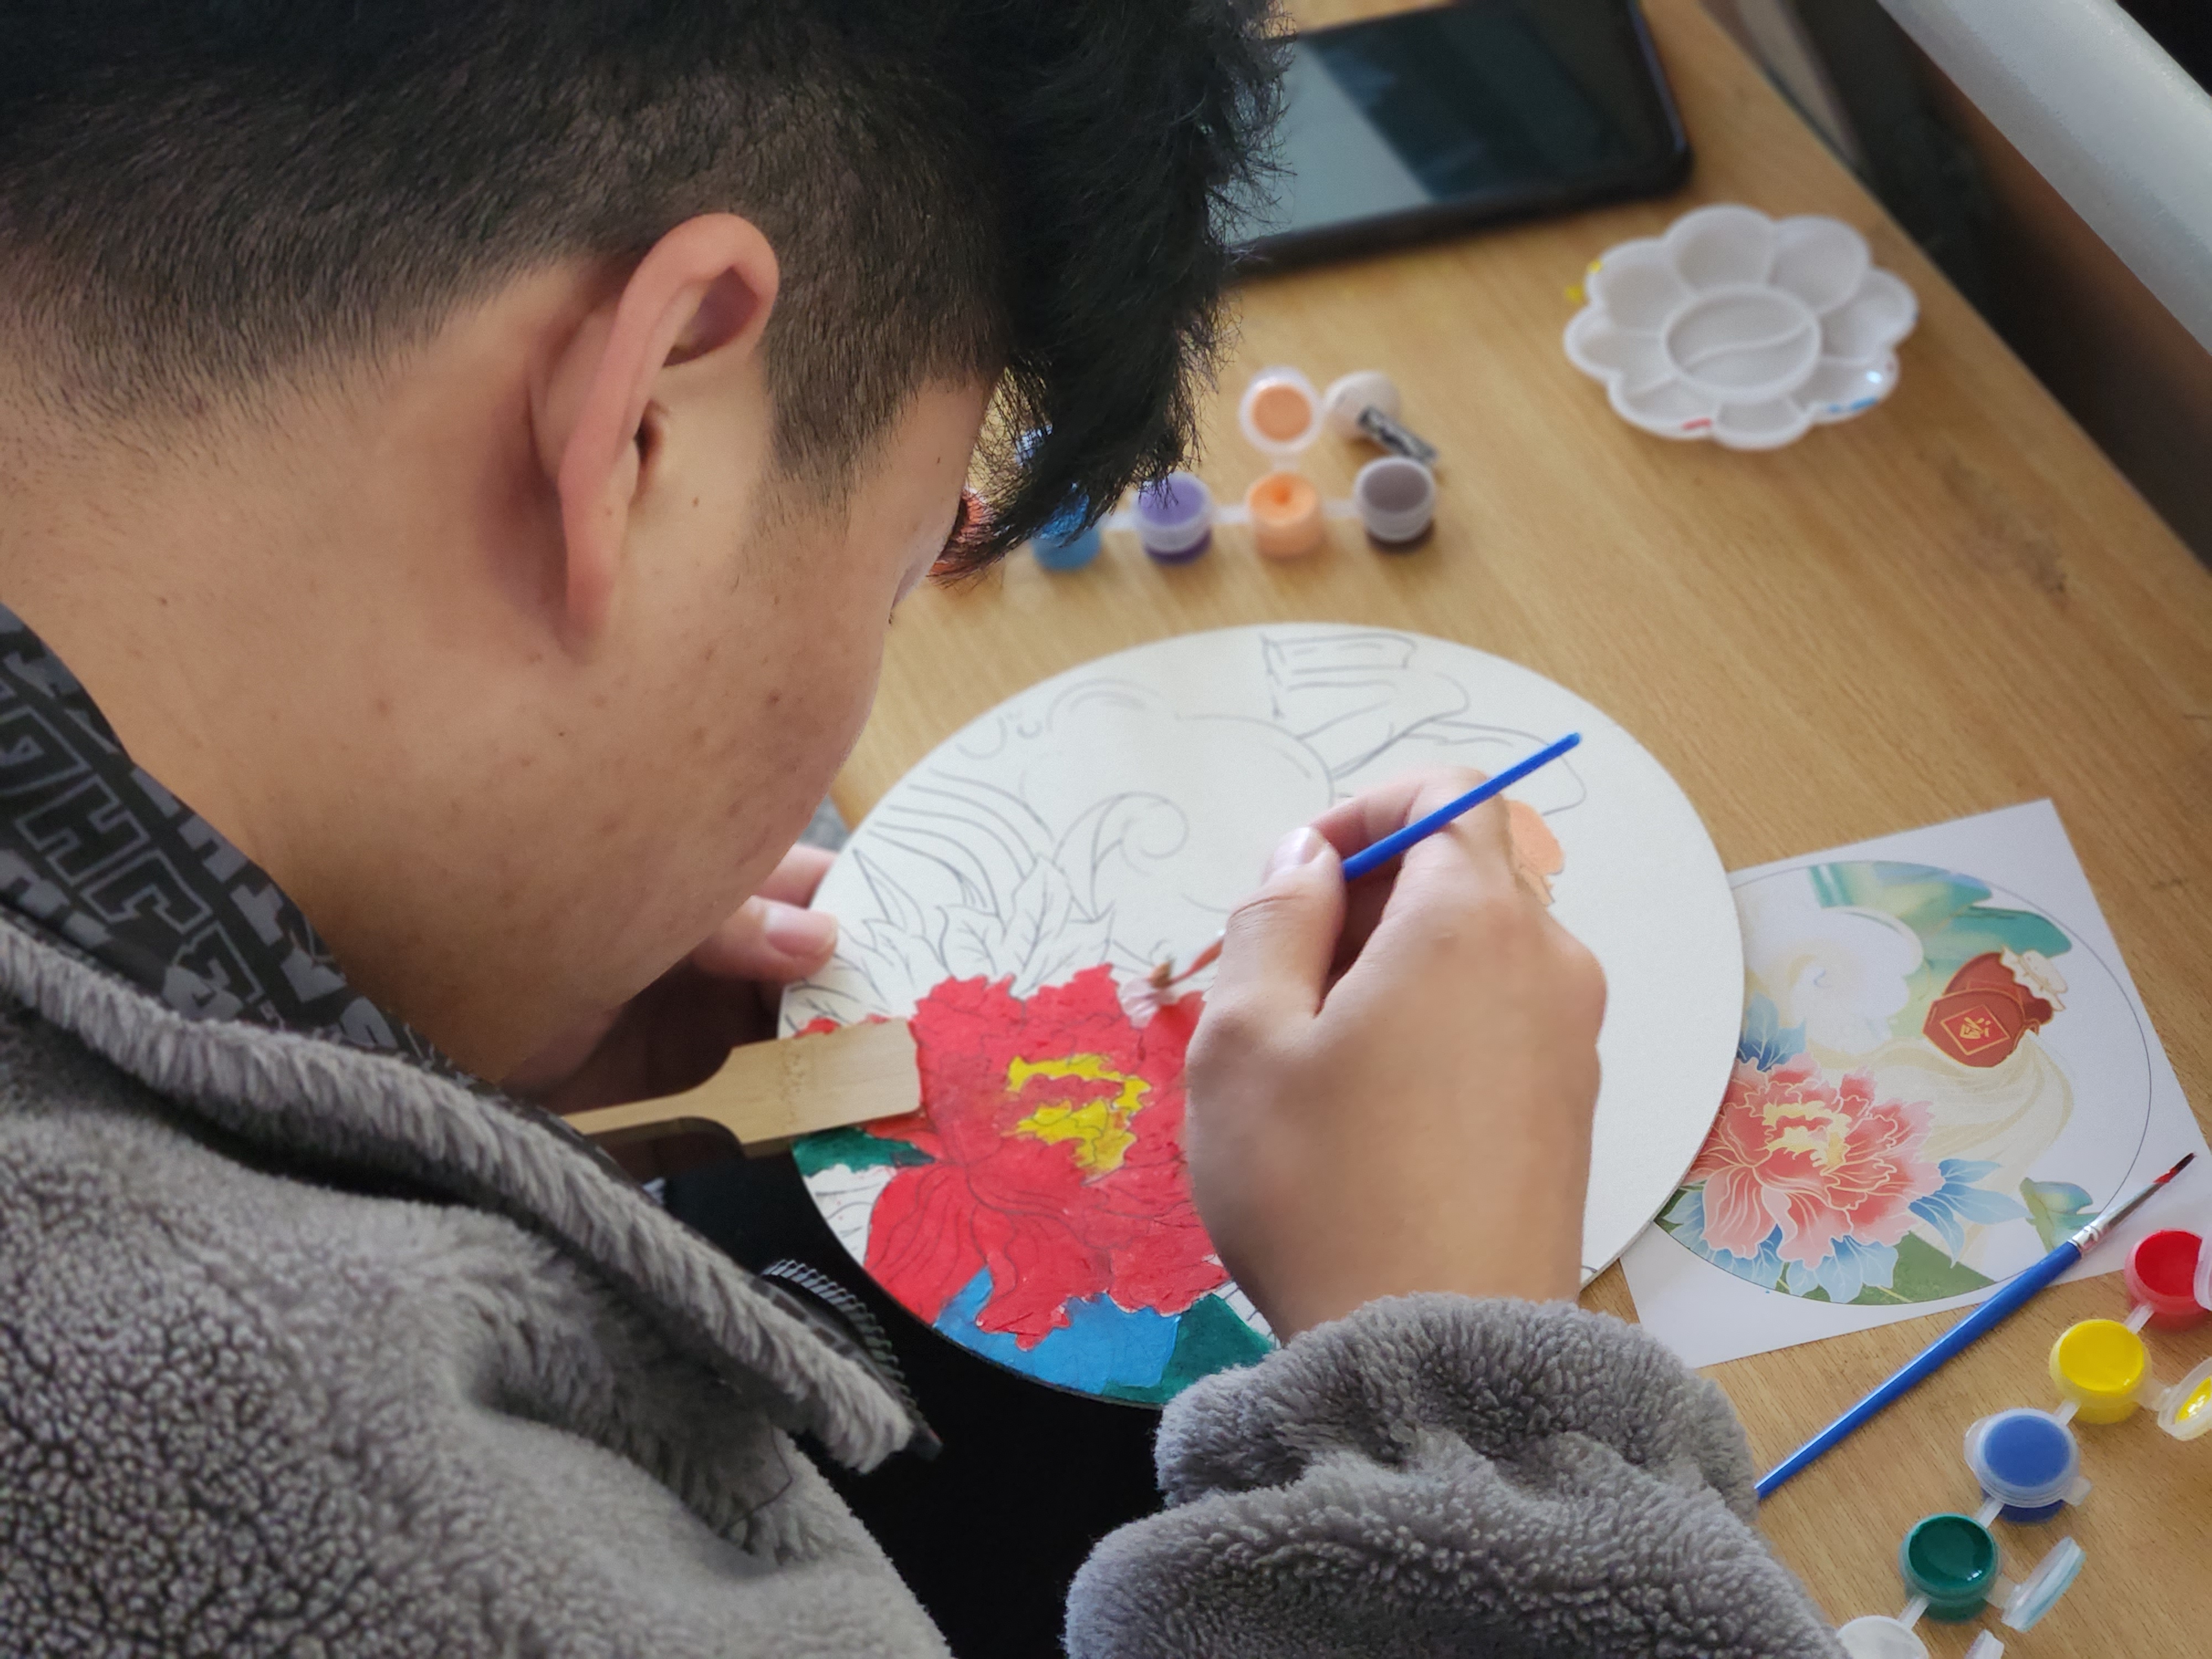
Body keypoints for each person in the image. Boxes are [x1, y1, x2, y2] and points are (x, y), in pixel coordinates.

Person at [0, 3, 1844, 1655]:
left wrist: (404, 1071)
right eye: (899, 572)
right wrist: (1457, 1406)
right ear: (645, 419)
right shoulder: (401, 1532)